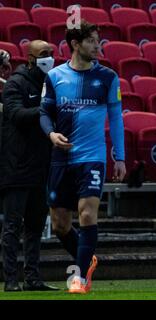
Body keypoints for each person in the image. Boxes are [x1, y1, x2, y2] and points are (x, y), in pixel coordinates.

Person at [40, 20, 126, 294]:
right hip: (60, 159)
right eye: (91, 41)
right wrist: (51, 135)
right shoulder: (54, 77)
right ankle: (86, 258)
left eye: (98, 41)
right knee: (60, 225)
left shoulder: (109, 78)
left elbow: (116, 119)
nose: (97, 46)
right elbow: (44, 113)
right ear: (75, 45)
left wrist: (120, 158)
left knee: (87, 214)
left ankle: (80, 280)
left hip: (92, 157)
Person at [0, 41, 59, 292]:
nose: (50, 59)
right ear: (31, 58)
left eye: (52, 54)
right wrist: (44, 110)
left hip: (41, 167)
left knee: (35, 226)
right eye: (44, 55)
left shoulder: (52, 83)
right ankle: (11, 279)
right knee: (12, 226)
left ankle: (33, 278)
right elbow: (15, 114)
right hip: (17, 167)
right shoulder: (16, 83)